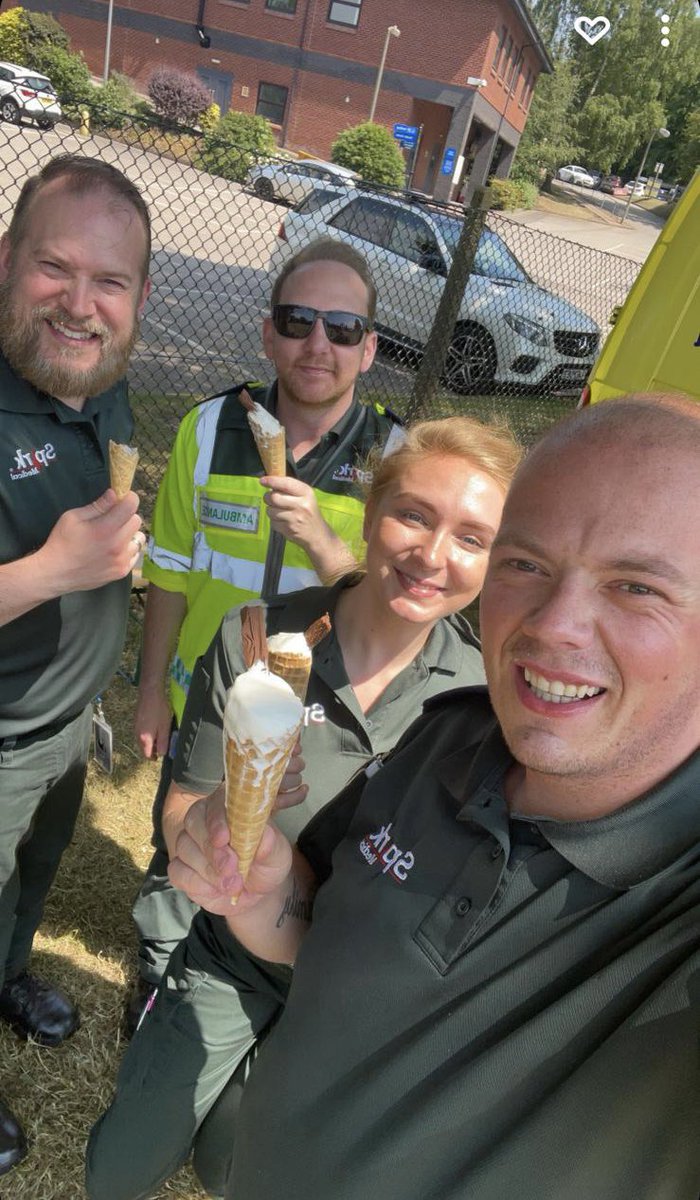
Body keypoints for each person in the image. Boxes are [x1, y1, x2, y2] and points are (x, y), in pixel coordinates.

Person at [167, 395, 700, 1200]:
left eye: (636, 587)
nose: (554, 625)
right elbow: (328, 945)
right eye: (527, 563)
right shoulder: (446, 740)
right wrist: (263, 887)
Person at [86, 414, 521, 1200]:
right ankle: (162, 996)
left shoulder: (483, 704)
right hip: (231, 954)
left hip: (343, 996)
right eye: (413, 515)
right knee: (116, 1169)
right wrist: (215, 834)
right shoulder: (259, 640)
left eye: (472, 537)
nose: (431, 555)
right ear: (372, 513)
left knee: (234, 1168)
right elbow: (181, 810)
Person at [129, 237, 398, 1014]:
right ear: (267, 332)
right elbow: (173, 575)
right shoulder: (208, 429)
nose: (319, 344)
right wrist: (152, 691)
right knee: (180, 844)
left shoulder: (392, 454)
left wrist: (322, 542)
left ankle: (268, 993)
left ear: (370, 348)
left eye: (344, 328)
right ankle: (158, 977)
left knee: (293, 858)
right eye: (298, 320)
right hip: (210, 706)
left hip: (321, 716)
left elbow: (393, 602)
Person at [0, 154, 151, 1176]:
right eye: (56, 268)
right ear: (6, 261)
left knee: (37, 875)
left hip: (67, 726)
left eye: (111, 282)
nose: (81, 305)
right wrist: (49, 571)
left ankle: (10, 974)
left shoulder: (99, 381)